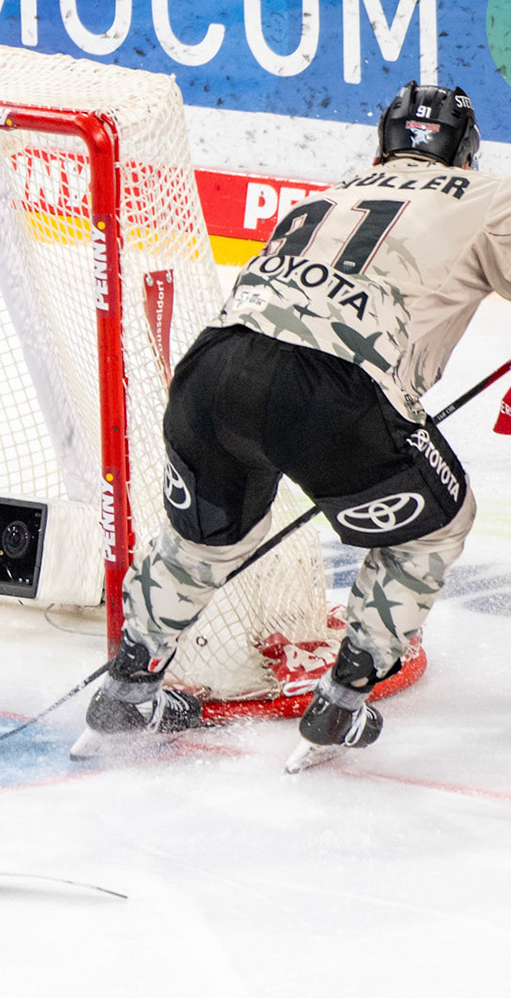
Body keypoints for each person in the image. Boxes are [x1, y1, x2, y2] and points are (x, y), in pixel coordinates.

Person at [77, 81, 497, 770]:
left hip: (211, 372)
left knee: (203, 541)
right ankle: (341, 703)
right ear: (466, 150)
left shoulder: (329, 195)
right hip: (329, 393)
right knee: (437, 523)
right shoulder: (487, 196)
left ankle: (129, 688)